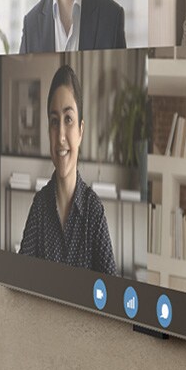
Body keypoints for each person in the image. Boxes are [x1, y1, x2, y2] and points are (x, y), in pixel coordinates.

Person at [19, 63, 117, 274]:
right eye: (54, 121)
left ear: (81, 131)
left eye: (68, 119)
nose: (61, 135)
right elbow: (20, 277)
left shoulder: (93, 212)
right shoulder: (40, 207)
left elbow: (113, 291)